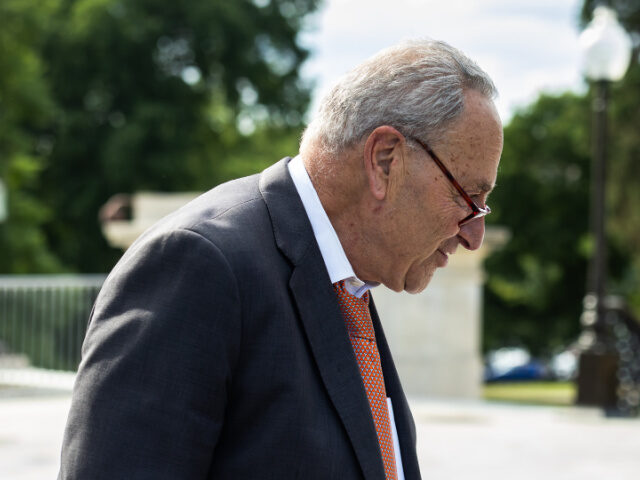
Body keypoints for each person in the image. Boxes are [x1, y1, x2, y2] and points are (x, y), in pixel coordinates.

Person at [59, 38, 503, 480]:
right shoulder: (198, 265)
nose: (474, 233)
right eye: (469, 196)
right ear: (385, 161)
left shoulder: (346, 283)